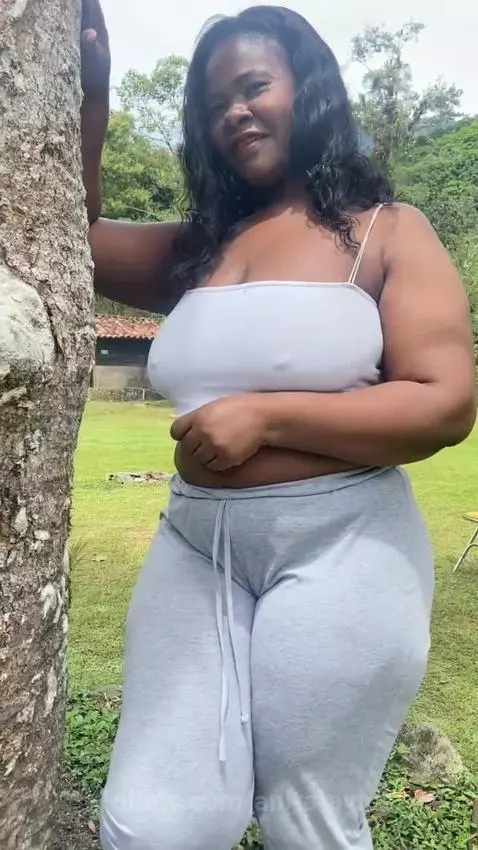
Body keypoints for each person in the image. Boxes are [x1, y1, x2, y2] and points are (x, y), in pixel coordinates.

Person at [80, 2, 476, 849]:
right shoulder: (198, 249)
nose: (234, 111)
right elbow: (64, 232)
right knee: (154, 824)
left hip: (343, 543)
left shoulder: (387, 231)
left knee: (306, 819)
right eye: (214, 104)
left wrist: (267, 416)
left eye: (254, 86)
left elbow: (444, 402)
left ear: (309, 90)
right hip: (196, 545)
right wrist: (93, 95)